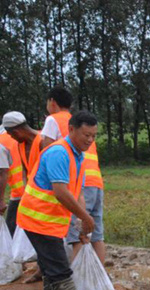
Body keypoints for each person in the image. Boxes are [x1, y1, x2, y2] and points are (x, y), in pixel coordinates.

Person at [16, 110, 102, 290]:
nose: (90, 140)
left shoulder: (78, 156)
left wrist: (82, 224)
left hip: (50, 221)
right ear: (71, 129)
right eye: (86, 135)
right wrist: (84, 217)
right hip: (37, 220)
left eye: (94, 136)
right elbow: (61, 192)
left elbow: (78, 191)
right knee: (61, 270)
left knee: (50, 268)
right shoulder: (58, 153)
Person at [40, 86, 107, 264]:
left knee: (77, 233)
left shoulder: (55, 121)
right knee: (95, 234)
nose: (90, 139)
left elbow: (47, 152)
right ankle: (100, 278)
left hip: (77, 182)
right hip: (95, 181)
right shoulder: (81, 123)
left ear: (52, 102)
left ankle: (78, 279)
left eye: (93, 136)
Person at [3, 111, 43, 281]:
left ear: (17, 131)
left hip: (46, 196)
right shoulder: (20, 145)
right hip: (31, 194)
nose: (11, 138)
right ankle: (41, 269)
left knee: (46, 233)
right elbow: (26, 170)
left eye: (11, 134)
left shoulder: (43, 140)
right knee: (34, 231)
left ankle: (46, 270)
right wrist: (28, 193)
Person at [0, 124, 24, 234]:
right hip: (30, 188)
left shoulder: (1, 141)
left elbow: (2, 173)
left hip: (18, 191)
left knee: (12, 229)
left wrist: (1, 200)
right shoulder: (13, 136)